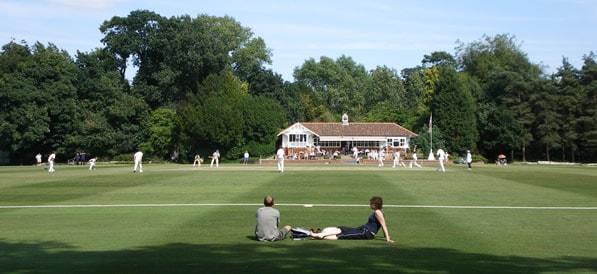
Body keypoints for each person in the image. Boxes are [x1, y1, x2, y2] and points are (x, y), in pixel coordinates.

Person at [310, 196, 394, 243]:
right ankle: (321, 234)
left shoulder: (378, 212)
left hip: (366, 233)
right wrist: (385, 236)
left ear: (375, 205)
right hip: (363, 229)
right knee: (343, 229)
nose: (370, 205)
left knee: (343, 236)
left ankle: (320, 236)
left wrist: (387, 238)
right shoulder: (377, 212)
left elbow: (384, 225)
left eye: (371, 203)